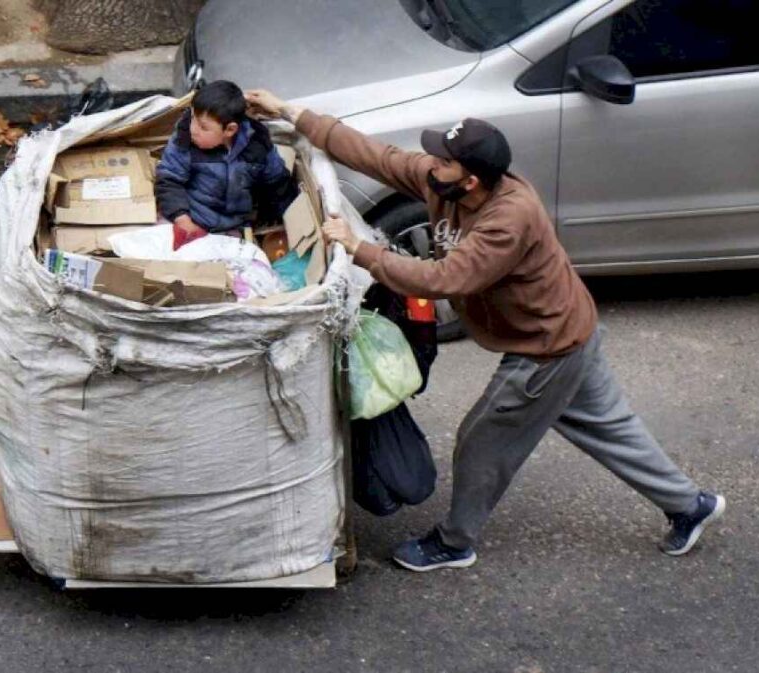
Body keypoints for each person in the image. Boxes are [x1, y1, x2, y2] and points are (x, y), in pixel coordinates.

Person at [245, 89, 726, 572]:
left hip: (546, 347)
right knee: (611, 429)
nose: (430, 163)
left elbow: (444, 279)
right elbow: (380, 157)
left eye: (442, 160)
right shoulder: (446, 182)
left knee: (481, 443)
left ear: (471, 179)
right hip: (571, 330)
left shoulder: (508, 219)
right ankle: (691, 506)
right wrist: (291, 112)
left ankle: (454, 542)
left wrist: (359, 248)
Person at [155, 80, 298, 251]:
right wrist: (182, 220)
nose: (194, 129)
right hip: (189, 219)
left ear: (230, 130)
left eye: (203, 127)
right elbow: (169, 180)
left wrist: (287, 223)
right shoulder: (184, 137)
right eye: (193, 118)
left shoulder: (258, 144)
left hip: (232, 228)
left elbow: (278, 184)